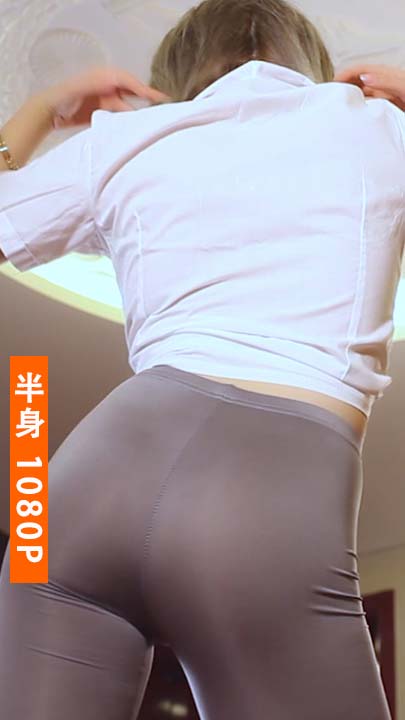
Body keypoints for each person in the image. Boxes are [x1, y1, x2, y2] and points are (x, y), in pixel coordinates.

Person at [0, 0, 403, 717]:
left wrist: (43, 109)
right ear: (312, 66)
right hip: (263, 494)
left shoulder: (129, 139)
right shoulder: (372, 127)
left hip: (65, 498)